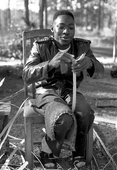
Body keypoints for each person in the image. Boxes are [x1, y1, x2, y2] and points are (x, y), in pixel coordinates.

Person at [23, 10, 104, 169]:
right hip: (47, 93)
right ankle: (47, 151)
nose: (66, 31)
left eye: (71, 27)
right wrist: (50, 64)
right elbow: (26, 75)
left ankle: (78, 151)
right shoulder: (41, 47)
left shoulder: (82, 47)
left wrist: (91, 63)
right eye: (61, 27)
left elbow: (101, 72)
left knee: (85, 113)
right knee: (63, 118)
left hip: (71, 92)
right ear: (52, 29)